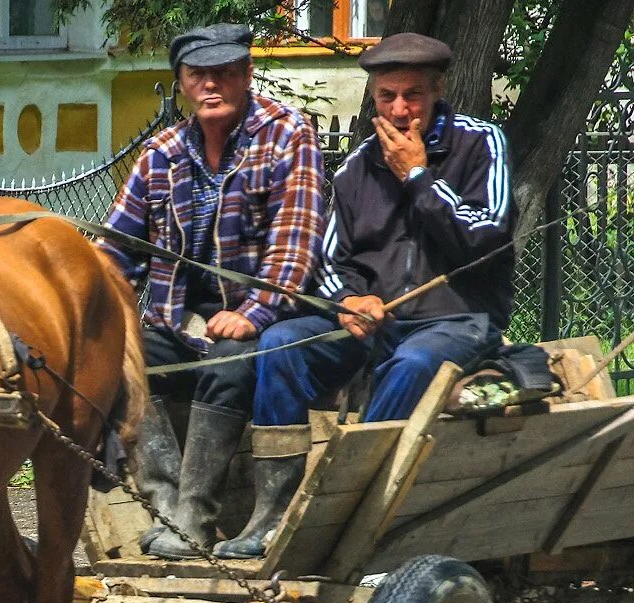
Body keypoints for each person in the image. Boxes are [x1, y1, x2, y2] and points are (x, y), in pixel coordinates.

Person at [214, 32, 516, 559]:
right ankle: (272, 513)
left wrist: (419, 176)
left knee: (413, 362)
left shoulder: (480, 143)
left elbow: (485, 236)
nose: (400, 111)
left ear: (438, 90)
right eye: (387, 96)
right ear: (373, 97)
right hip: (372, 324)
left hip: (458, 322)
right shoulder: (356, 169)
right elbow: (330, 263)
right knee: (282, 343)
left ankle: (347, 507)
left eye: (413, 96)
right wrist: (347, 302)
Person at [100, 23, 324, 559]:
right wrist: (90, 315)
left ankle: (194, 521)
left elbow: (296, 245)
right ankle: (164, 505)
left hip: (268, 320)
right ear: (181, 82)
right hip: (181, 323)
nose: (212, 86)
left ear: (247, 75)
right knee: (117, 358)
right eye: (200, 76)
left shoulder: (287, 134)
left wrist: (255, 311)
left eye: (225, 73)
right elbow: (115, 253)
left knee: (230, 363)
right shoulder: (161, 154)